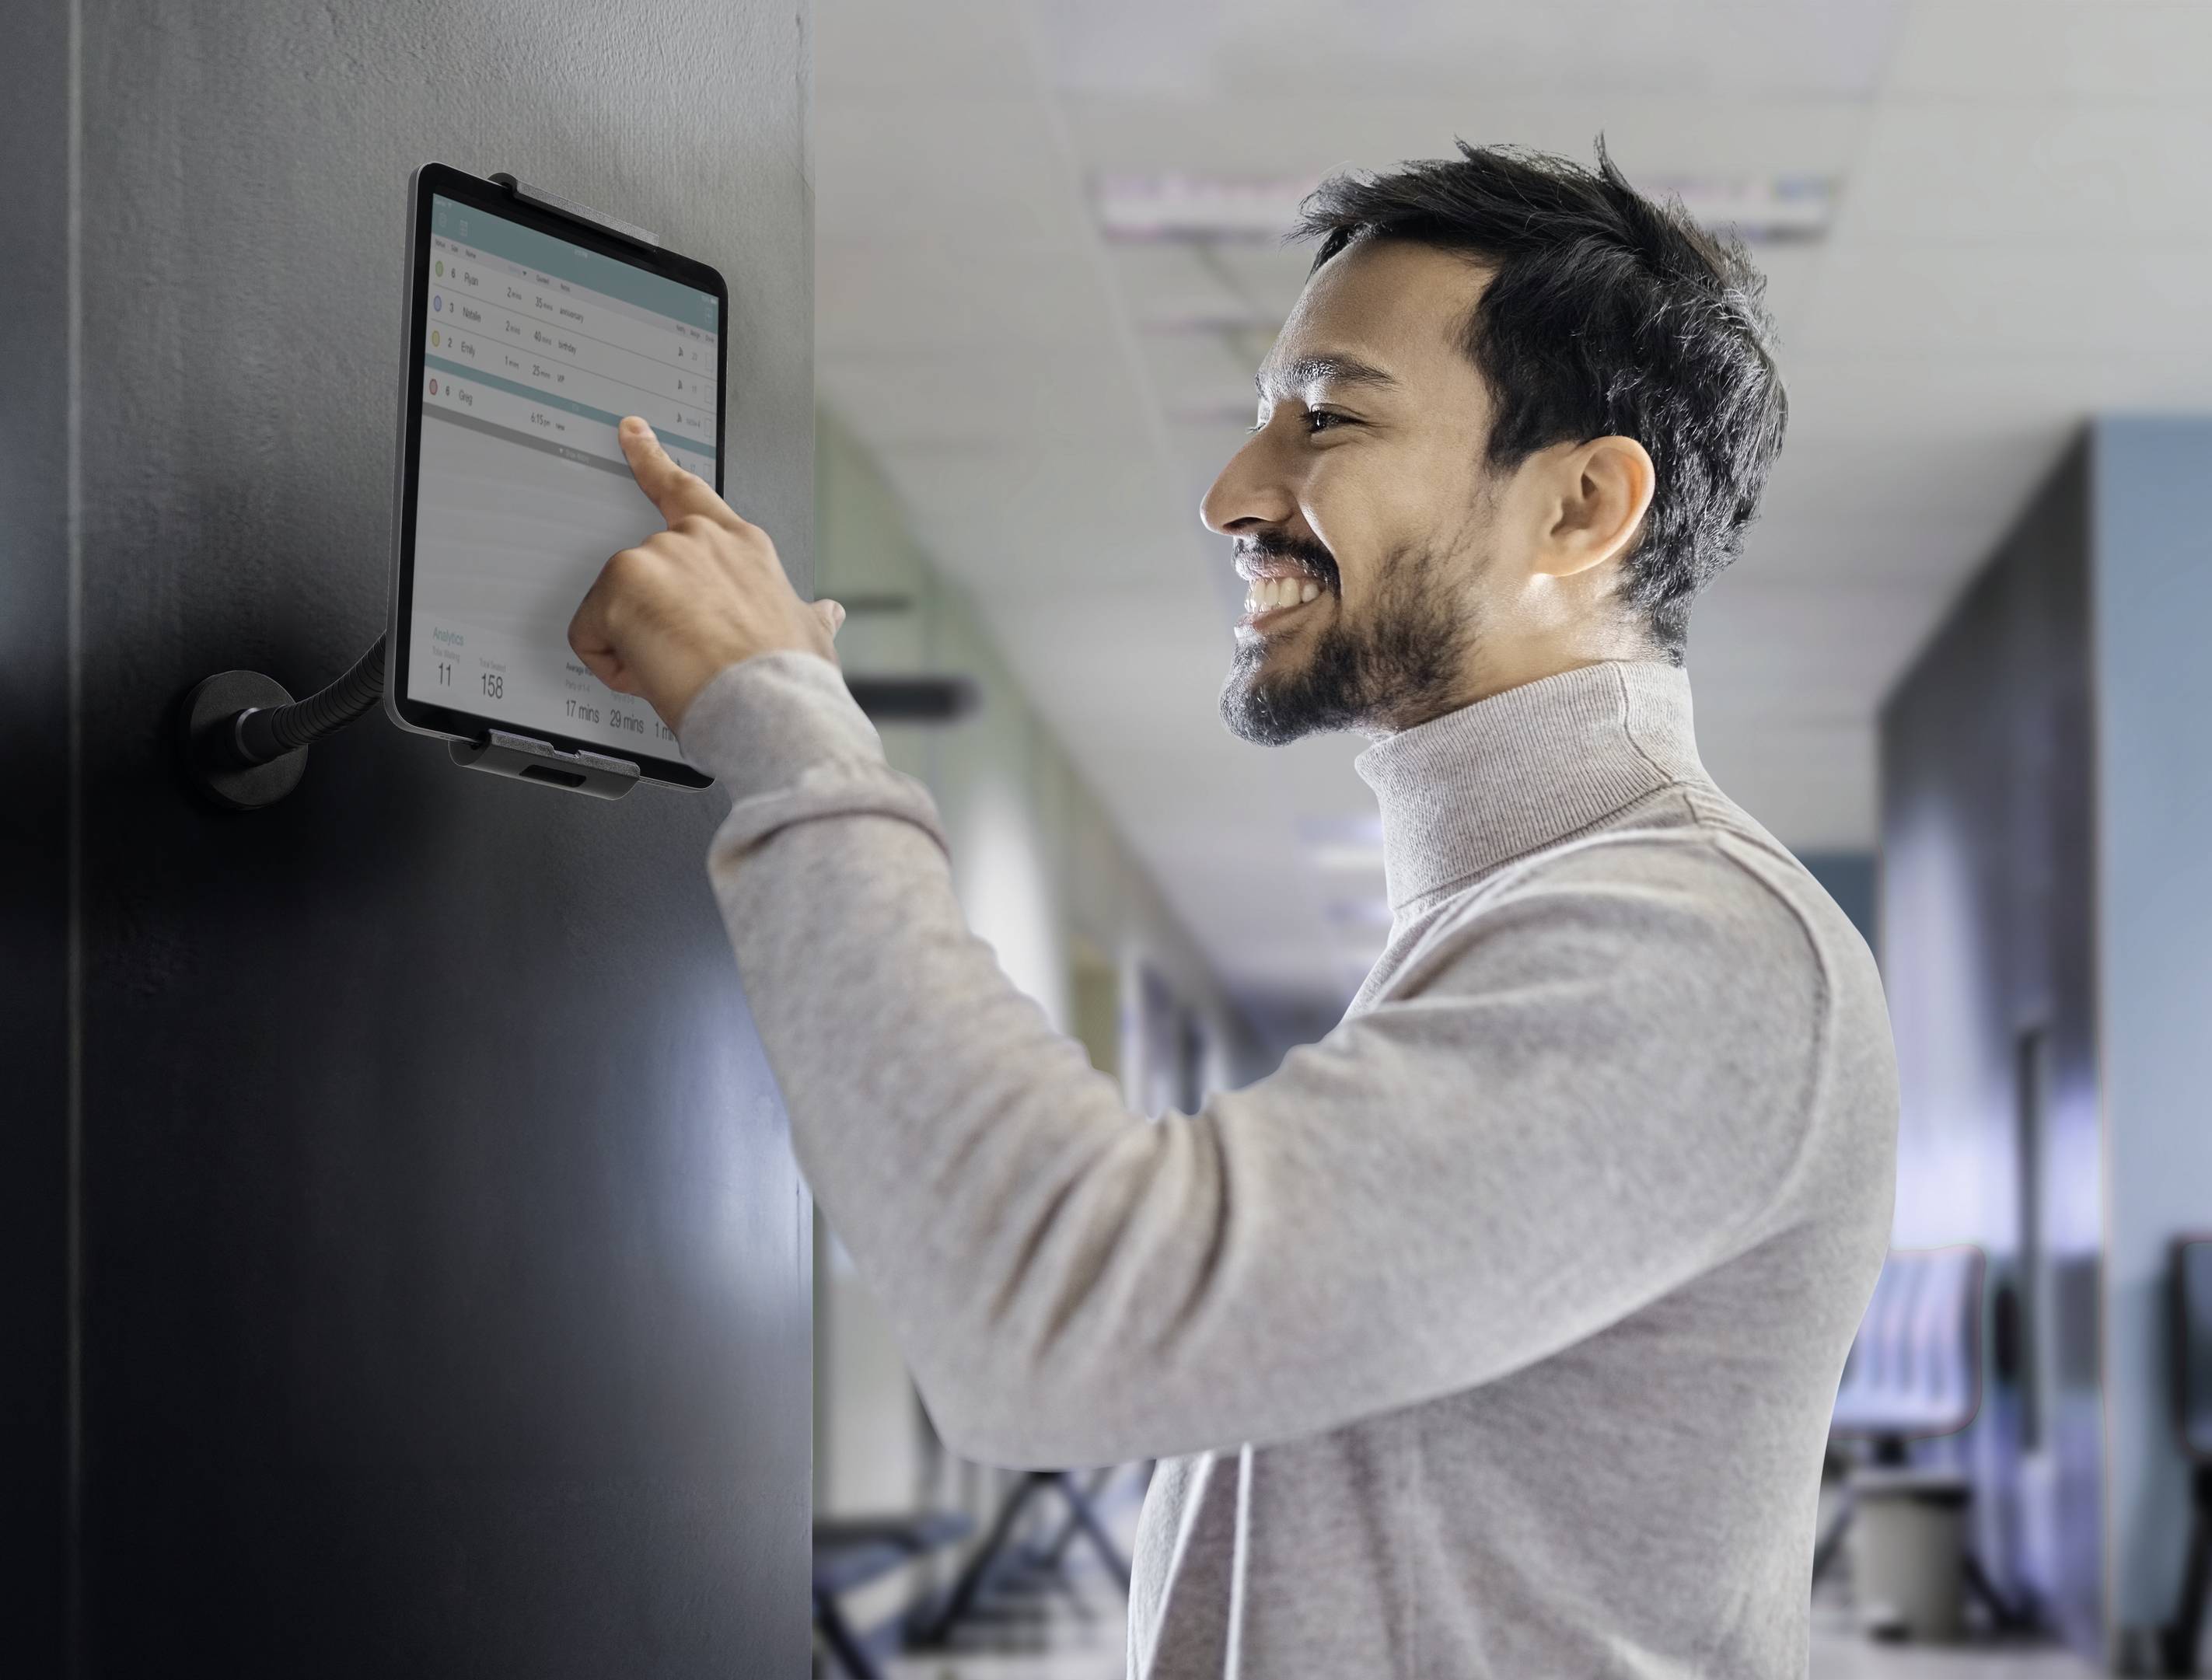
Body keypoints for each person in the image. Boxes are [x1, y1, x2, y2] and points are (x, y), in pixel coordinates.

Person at [568, 141, 1896, 1680]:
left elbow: (1060, 1322)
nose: (1231, 494)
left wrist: (779, 718)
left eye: (1326, 414)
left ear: (1582, 504)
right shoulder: (1516, 919)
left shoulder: (1696, 945)